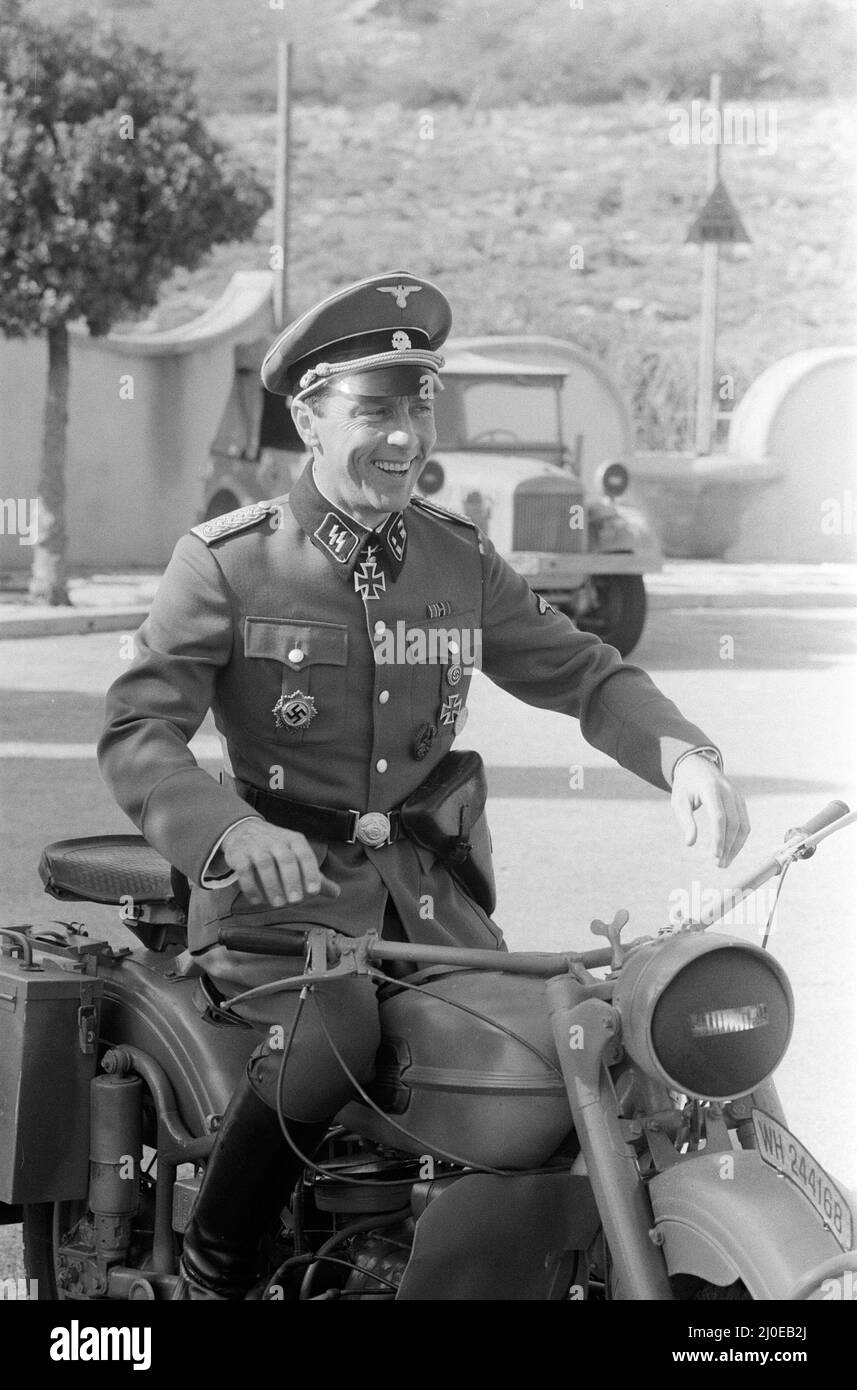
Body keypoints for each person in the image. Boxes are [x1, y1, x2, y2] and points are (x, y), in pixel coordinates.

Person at [98, 269, 750, 1299]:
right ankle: (220, 1263)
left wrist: (683, 756)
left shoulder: (453, 560)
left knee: (566, 1035)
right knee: (339, 1030)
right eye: (375, 409)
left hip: (434, 913)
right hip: (284, 914)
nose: (405, 435)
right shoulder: (228, 563)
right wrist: (225, 832)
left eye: (418, 405)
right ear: (308, 417)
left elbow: (583, 670)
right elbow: (139, 731)